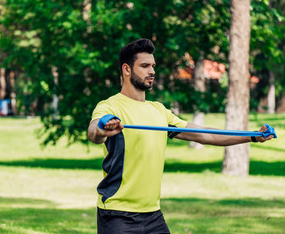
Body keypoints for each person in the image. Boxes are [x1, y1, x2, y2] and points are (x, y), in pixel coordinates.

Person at [87, 38, 274, 234]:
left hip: (152, 215)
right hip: (117, 214)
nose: (152, 71)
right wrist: (103, 128)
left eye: (153, 65)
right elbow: (94, 132)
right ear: (126, 69)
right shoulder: (110, 106)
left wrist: (252, 136)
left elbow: (205, 136)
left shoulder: (159, 111)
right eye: (144, 66)